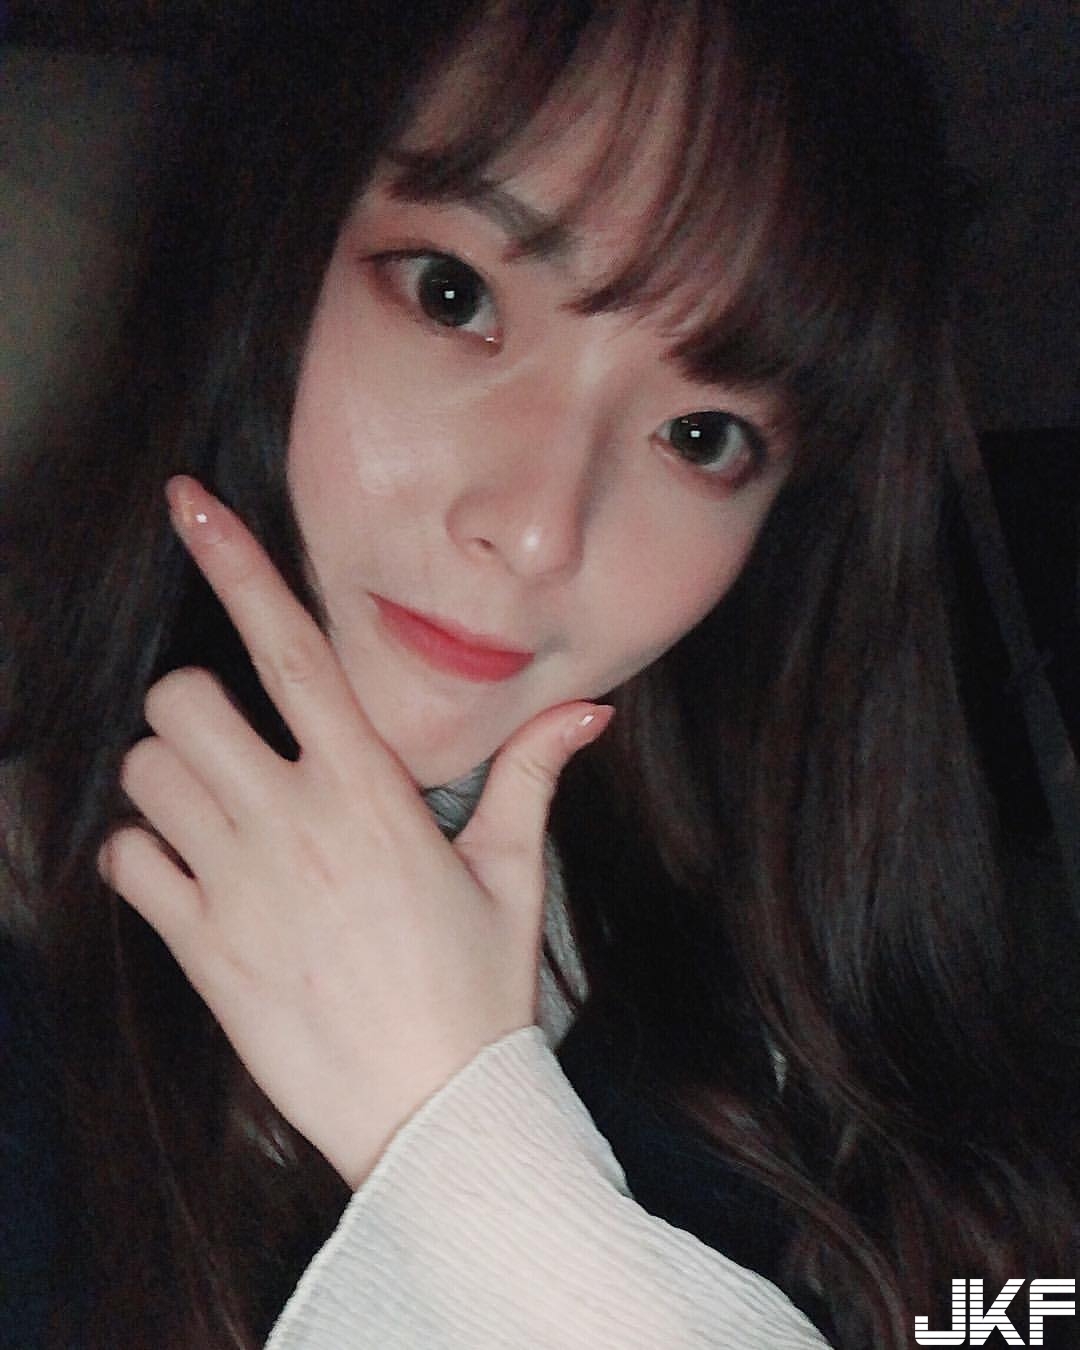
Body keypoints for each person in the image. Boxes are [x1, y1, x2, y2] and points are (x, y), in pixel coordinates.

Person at [2, 0, 1077, 1346]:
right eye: (454, 297)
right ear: (263, 258)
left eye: (703, 434)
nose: (537, 530)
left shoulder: (814, 980)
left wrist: (459, 1138)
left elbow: (1015, 1311)